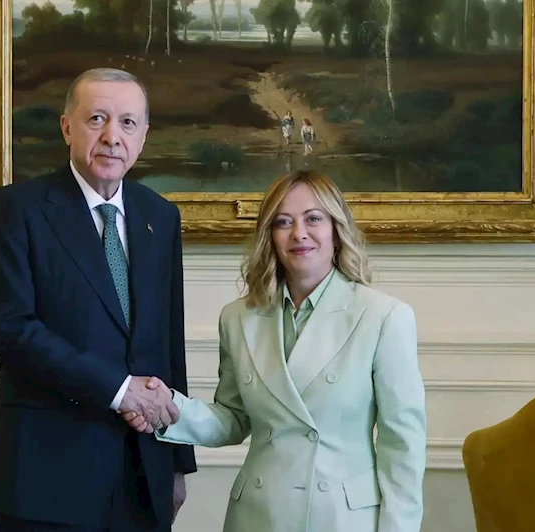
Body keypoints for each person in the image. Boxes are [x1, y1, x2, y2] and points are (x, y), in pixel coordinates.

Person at [124, 170, 427, 531]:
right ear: (270, 236)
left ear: (336, 229)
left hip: (342, 519)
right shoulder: (238, 317)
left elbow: (402, 445)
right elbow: (234, 419)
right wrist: (168, 408)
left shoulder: (384, 316)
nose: (299, 233)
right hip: (258, 514)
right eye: (283, 222)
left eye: (313, 218)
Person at [0, 68, 197, 532]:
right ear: (67, 127)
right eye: (97, 118)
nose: (112, 136)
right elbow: (10, 330)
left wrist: (178, 463)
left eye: (127, 123)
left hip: (143, 475)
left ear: (143, 136)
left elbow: (168, 344)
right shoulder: (20, 208)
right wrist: (119, 389)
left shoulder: (161, 216)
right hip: (46, 478)